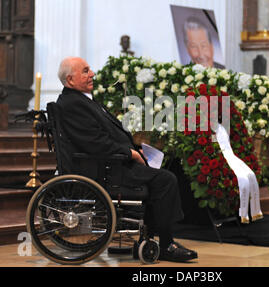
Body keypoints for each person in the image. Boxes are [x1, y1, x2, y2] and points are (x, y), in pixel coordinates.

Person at [56, 57, 198, 263]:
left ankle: (149, 239)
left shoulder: (81, 99)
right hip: (106, 170)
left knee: (162, 173)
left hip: (113, 162)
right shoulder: (72, 104)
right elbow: (94, 142)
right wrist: (129, 153)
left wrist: (135, 148)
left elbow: (103, 136)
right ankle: (166, 243)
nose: (92, 74)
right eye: (85, 71)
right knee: (165, 180)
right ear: (70, 79)